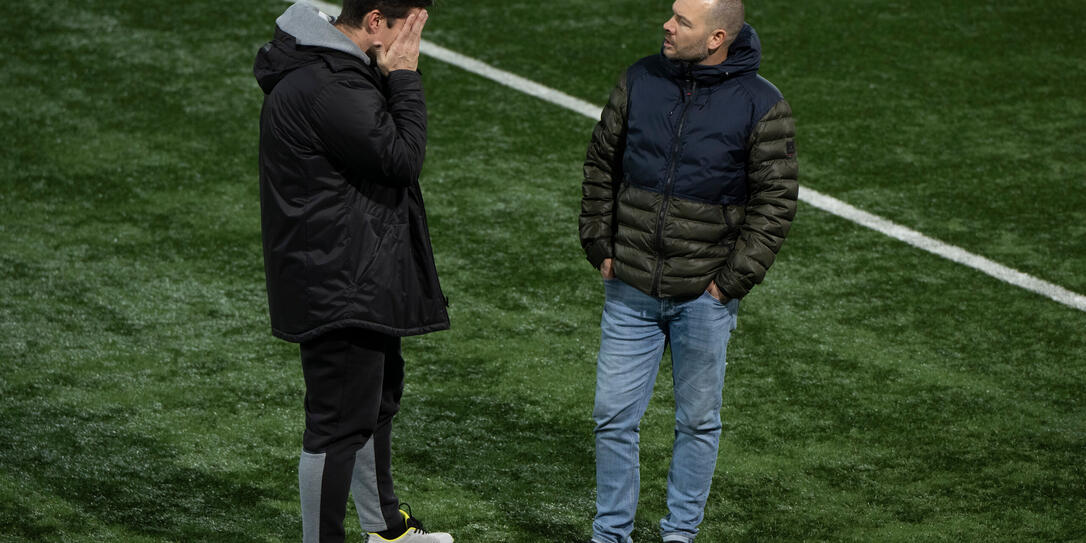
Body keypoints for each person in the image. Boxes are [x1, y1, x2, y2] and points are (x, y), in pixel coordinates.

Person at [579, 0, 798, 541]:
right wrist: (599, 242)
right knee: (612, 417)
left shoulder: (761, 104)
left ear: (718, 36)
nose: (667, 25)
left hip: (705, 295)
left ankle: (679, 535)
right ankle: (611, 534)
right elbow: (601, 162)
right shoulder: (640, 79)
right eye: (671, 14)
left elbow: (776, 204)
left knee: (697, 422)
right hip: (630, 285)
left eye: (682, 21)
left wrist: (729, 283)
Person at [253, 1, 452, 542]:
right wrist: (406, 78)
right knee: (338, 424)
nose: (414, 37)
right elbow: (402, 156)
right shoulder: (330, 87)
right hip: (340, 282)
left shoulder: (339, 73)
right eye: (408, 25)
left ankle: (384, 529)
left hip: (356, 271)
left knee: (372, 404)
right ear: (374, 22)